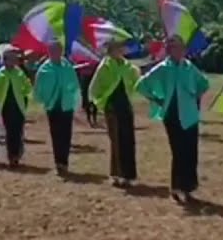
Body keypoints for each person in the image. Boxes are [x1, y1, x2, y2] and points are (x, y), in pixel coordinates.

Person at [137, 36, 209, 204]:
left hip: (190, 114)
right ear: (168, 51)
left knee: (191, 151)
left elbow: (204, 84)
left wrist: (195, 97)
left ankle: (189, 187)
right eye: (172, 48)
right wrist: (156, 99)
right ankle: (177, 186)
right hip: (172, 115)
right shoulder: (163, 68)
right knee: (178, 152)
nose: (176, 51)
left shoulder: (189, 67)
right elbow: (141, 85)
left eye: (179, 47)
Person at [89, 41, 141, 187]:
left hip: (125, 105)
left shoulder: (128, 66)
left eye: (121, 48)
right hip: (112, 106)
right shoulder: (105, 66)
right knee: (116, 140)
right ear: (110, 50)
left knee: (128, 139)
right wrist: (100, 101)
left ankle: (129, 175)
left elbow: (137, 81)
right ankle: (117, 173)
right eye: (116, 48)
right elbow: (95, 87)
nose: (120, 50)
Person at [35, 42, 82, 177]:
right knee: (56, 135)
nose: (56, 53)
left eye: (58, 50)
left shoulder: (67, 67)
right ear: (49, 52)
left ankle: (64, 161)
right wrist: (45, 101)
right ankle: (58, 162)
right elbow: (38, 89)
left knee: (66, 135)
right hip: (53, 106)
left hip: (66, 106)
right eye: (53, 50)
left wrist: (75, 101)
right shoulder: (44, 69)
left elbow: (75, 85)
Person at [0, 50, 33, 166]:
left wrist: (23, 93)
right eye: (11, 58)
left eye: (15, 59)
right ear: (5, 60)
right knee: (10, 131)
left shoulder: (19, 73)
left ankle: (17, 153)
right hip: (6, 107)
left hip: (18, 106)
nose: (14, 61)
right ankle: (12, 155)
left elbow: (28, 87)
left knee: (18, 130)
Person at [76, 60, 99, 128]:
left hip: (94, 75)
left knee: (94, 98)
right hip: (85, 75)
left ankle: (94, 119)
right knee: (86, 97)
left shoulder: (96, 51)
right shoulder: (80, 50)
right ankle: (89, 119)